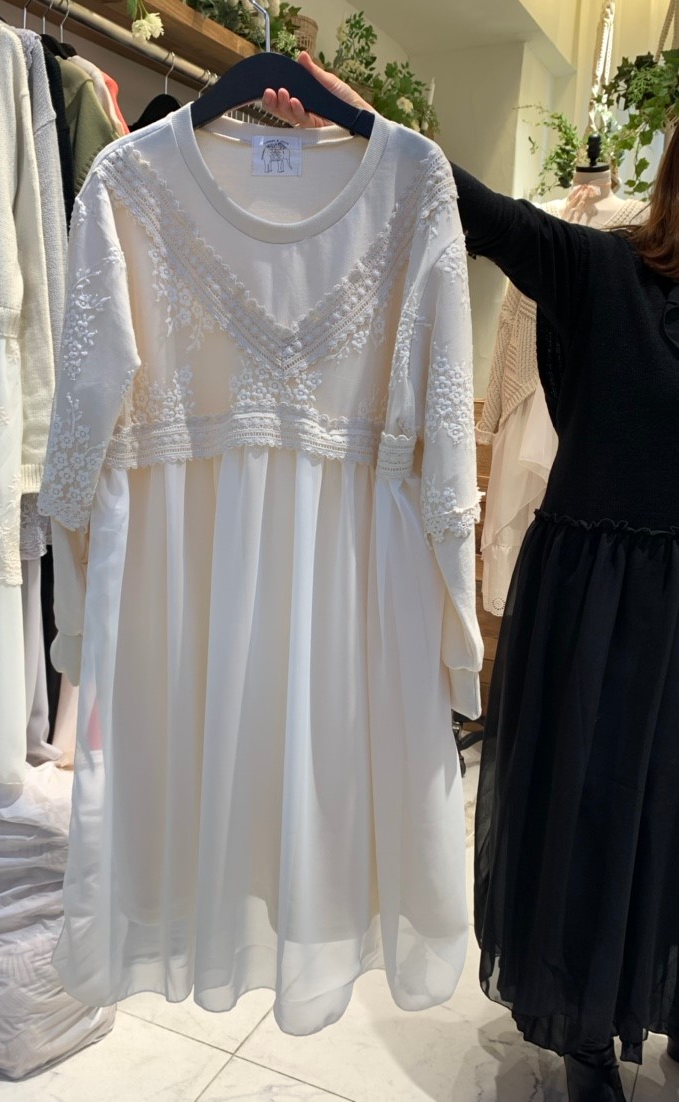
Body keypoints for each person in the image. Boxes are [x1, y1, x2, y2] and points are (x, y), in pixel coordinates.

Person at [264, 53, 679, 1102]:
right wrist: (365, 127)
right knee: (593, 811)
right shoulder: (607, 273)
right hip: (600, 607)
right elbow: (480, 210)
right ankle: (585, 1030)